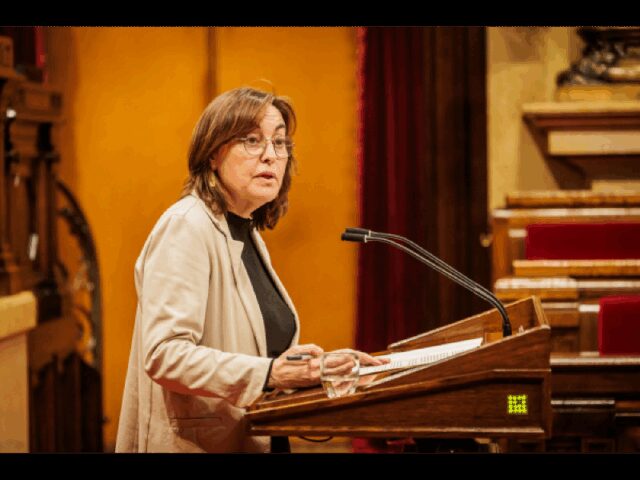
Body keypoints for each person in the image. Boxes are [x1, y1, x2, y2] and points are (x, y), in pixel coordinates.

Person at [115, 87, 385, 453]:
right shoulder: (186, 226)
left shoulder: (246, 233)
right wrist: (271, 373)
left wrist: (314, 369)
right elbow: (165, 354)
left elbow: (254, 351)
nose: (271, 155)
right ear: (213, 153)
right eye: (252, 140)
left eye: (279, 142)